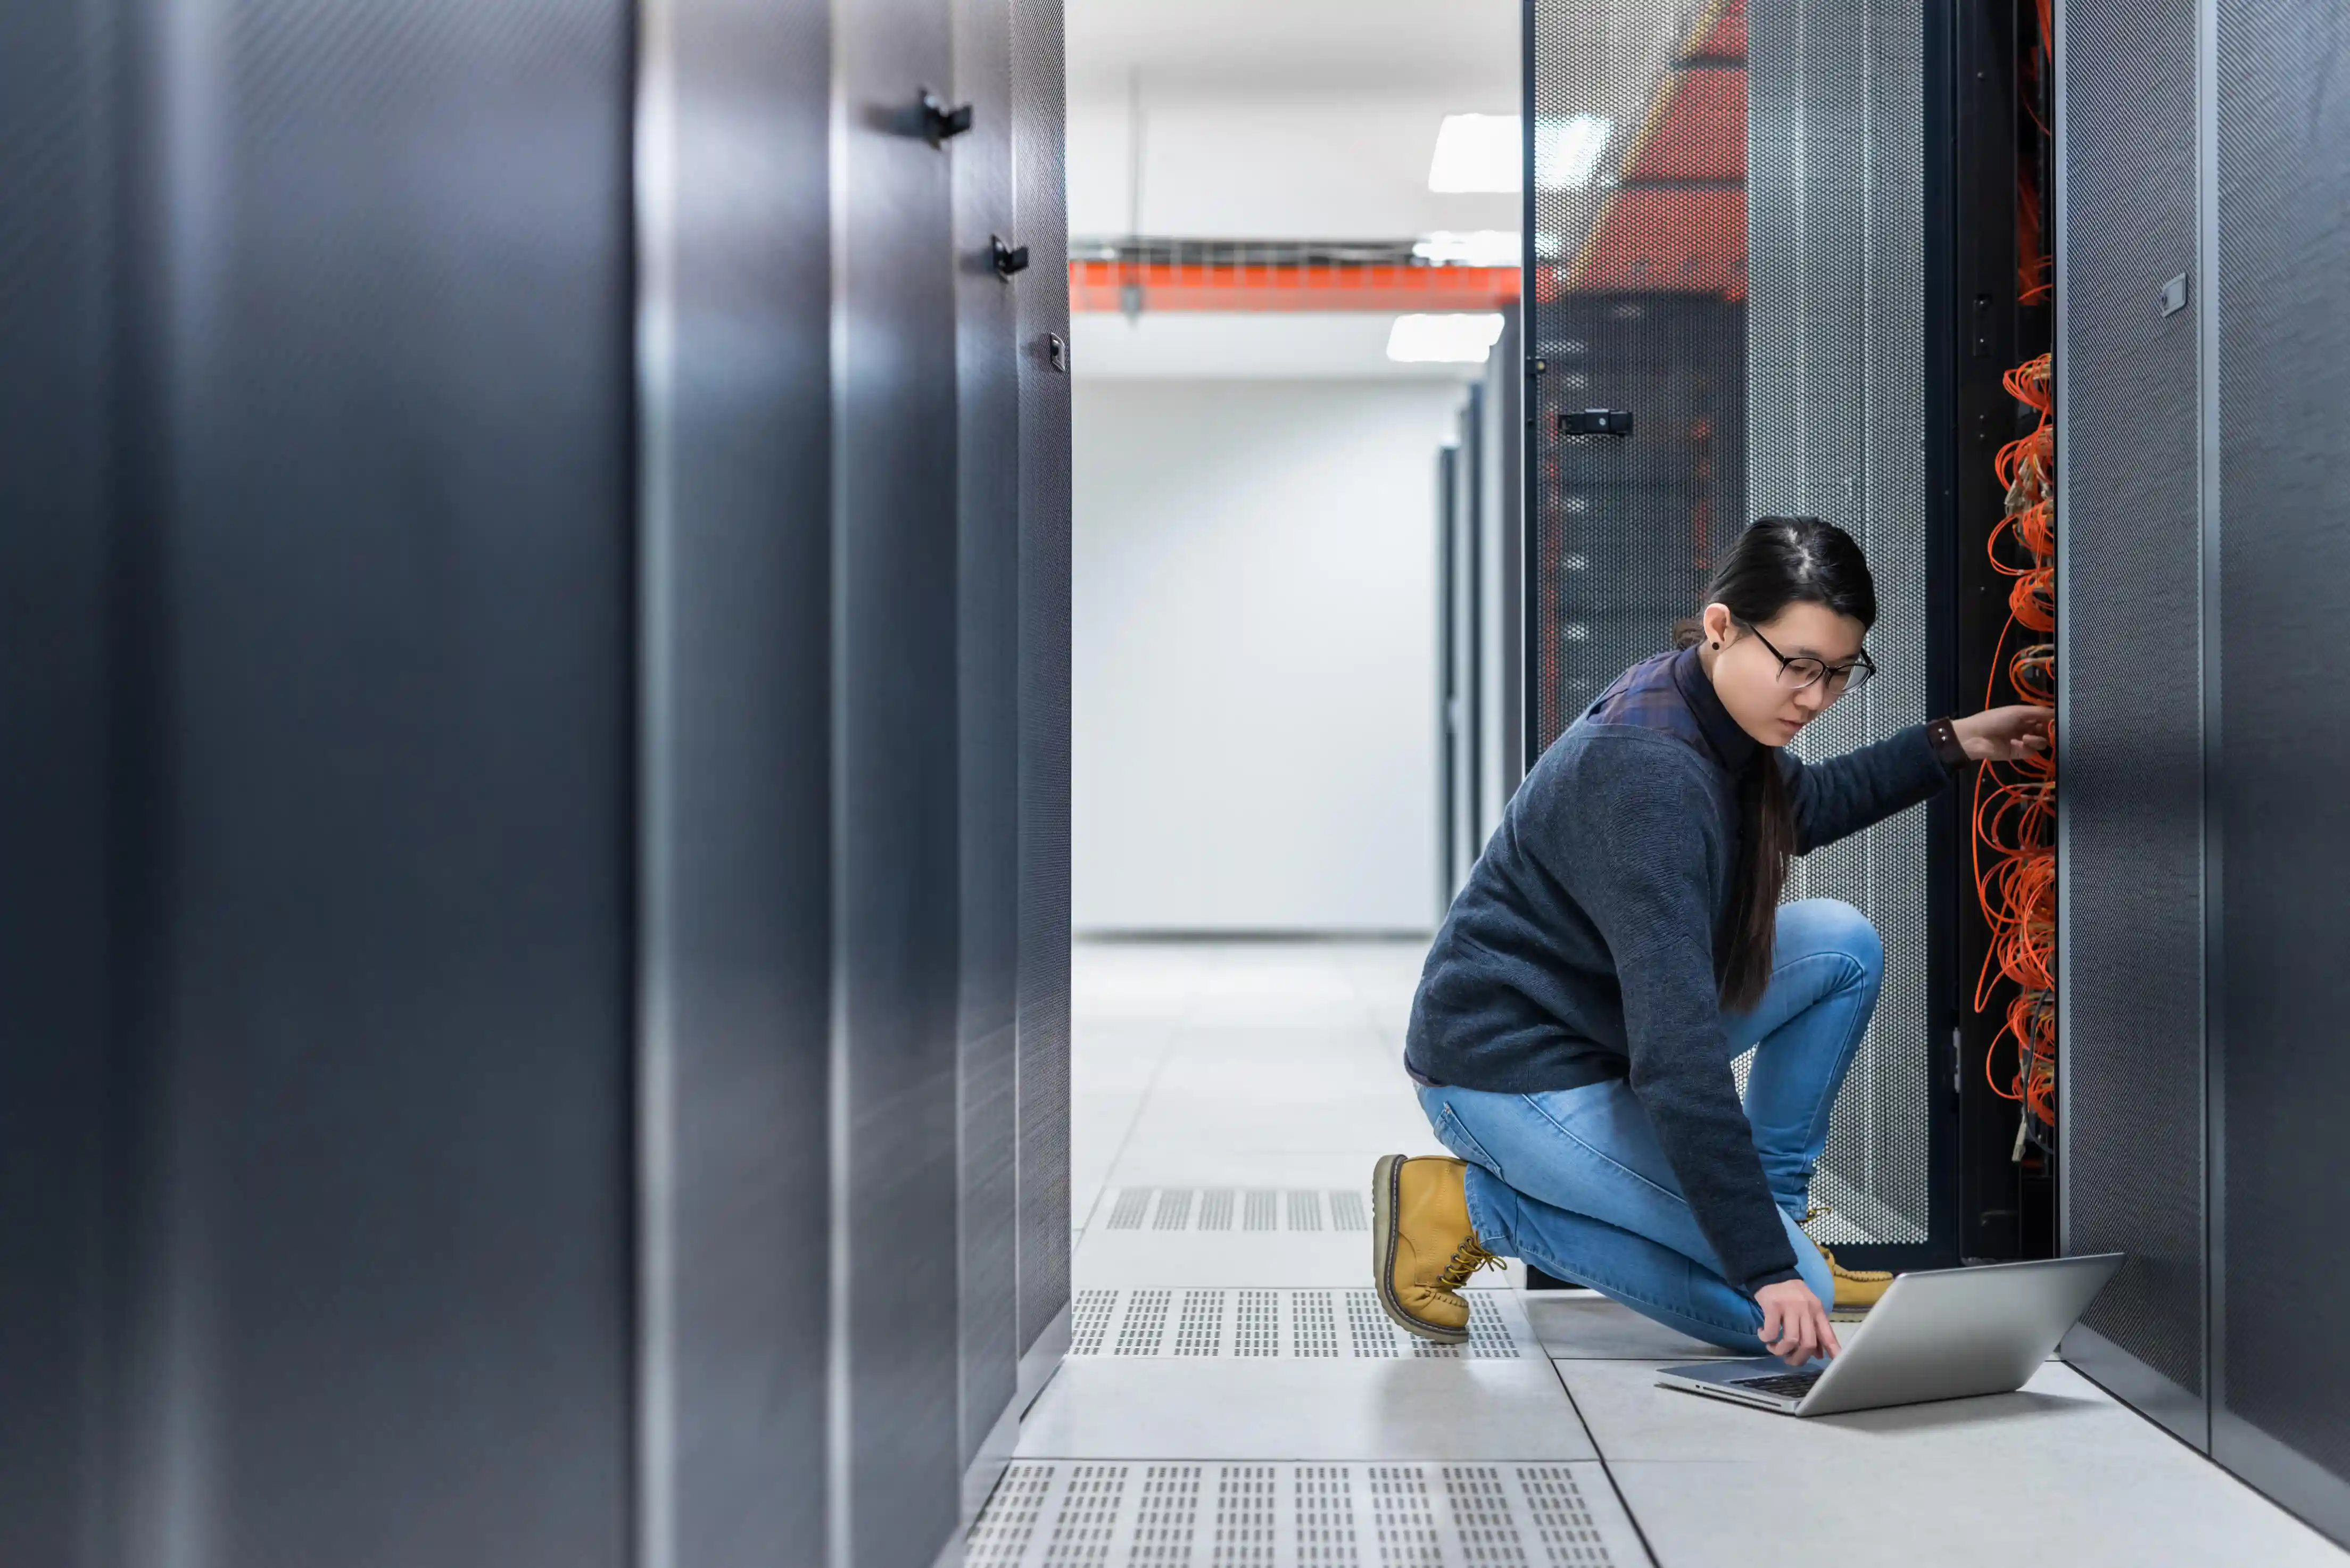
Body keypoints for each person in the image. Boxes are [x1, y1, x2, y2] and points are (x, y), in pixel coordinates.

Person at [1372, 516, 2049, 1368]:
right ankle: (1472, 1207)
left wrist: (1955, 743)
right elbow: (1678, 1056)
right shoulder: (1649, 774)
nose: (1814, 697)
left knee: (1841, 941)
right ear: (1723, 624)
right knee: (1780, 1319)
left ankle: (1773, 1208)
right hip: (1509, 1072)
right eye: (1799, 667)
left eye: (1840, 673)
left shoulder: (1708, 705)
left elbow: (1799, 809)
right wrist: (1766, 1267)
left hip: (1600, 1027)